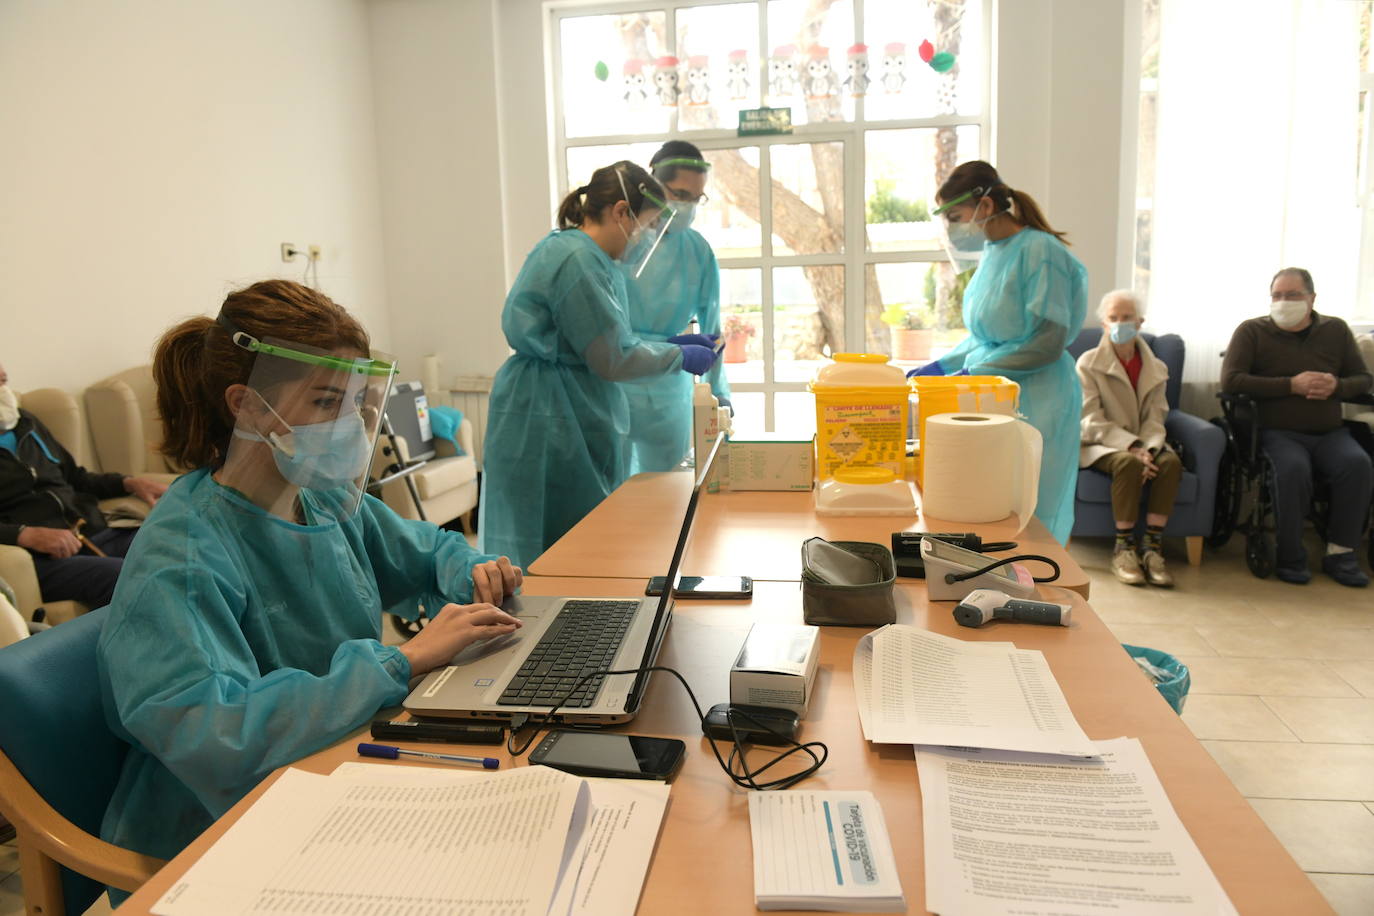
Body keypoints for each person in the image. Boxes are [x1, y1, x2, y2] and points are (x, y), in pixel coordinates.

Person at [98, 280, 524, 875]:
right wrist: (402, 660)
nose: (351, 421)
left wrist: (473, 569)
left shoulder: (319, 499)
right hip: (213, 830)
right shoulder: (187, 552)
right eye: (328, 403)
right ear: (245, 404)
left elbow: (424, 550)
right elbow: (216, 736)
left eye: (356, 401)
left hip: (329, 764)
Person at [480, 161, 720, 568]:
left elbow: (605, 338)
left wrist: (667, 343)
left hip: (559, 405)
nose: (644, 240)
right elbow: (612, 357)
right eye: (645, 227)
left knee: (577, 546)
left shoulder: (579, 253)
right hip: (549, 416)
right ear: (621, 212)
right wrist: (678, 356)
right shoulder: (578, 261)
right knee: (556, 551)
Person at [916, 160, 1088, 544]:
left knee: (1031, 502)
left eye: (955, 216)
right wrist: (941, 367)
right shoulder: (993, 253)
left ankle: (1035, 583)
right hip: (997, 391)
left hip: (1041, 392)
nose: (952, 228)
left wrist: (975, 374)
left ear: (986, 207)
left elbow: (1046, 341)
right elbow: (985, 337)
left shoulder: (1041, 251)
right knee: (991, 497)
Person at [1220, 268, 1373, 587]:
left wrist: (1336, 385)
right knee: (1292, 468)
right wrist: (1291, 385)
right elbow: (1231, 380)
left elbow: (1362, 378)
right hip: (1277, 432)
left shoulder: (1336, 330)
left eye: (1292, 295)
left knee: (1357, 464)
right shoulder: (1252, 331)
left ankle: (1341, 553)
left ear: (1311, 298)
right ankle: (1291, 555)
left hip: (1329, 432)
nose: (1283, 301)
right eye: (1277, 295)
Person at [0, 362, 167, 609]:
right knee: (122, 576)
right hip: (38, 559)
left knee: (173, 542)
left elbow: (76, 478)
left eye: (2, 375)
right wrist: (25, 534)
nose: (4, 382)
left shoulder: (26, 423)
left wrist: (129, 483)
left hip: (89, 533)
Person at [622, 141, 731, 474]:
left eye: (696, 198)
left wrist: (719, 394)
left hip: (668, 388)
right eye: (679, 194)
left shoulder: (697, 250)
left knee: (667, 493)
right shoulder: (624, 239)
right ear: (654, 184)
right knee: (609, 494)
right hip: (614, 379)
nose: (687, 206)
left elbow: (713, 331)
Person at [1077, 290, 1182, 587]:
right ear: (1104, 324)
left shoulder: (1156, 368)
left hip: (1144, 441)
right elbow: (1089, 420)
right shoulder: (1087, 363)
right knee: (1128, 464)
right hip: (1100, 443)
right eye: (1113, 318)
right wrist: (1133, 447)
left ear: (1139, 323)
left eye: (1126, 318)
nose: (1119, 324)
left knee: (1171, 463)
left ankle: (1152, 547)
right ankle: (1123, 548)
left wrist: (1147, 448)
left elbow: (1156, 417)